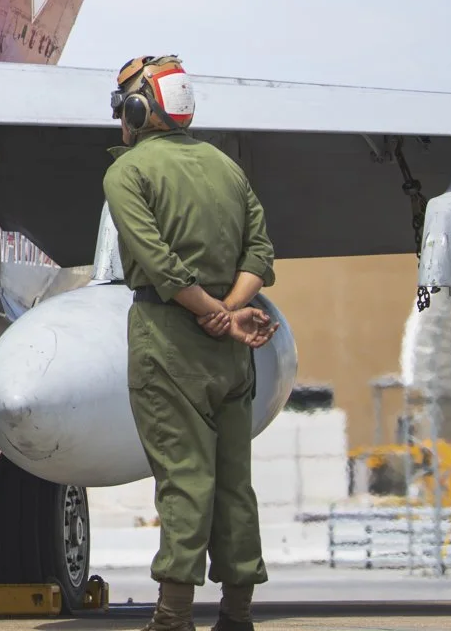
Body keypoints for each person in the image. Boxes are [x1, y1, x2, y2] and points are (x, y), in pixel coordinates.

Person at [103, 55, 277, 631]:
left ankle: (173, 616)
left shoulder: (126, 172)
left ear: (139, 109)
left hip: (168, 342)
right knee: (234, 483)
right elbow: (260, 255)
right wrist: (230, 314)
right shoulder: (227, 168)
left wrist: (211, 314)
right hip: (231, 354)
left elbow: (160, 265)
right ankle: (238, 613)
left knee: (184, 479)